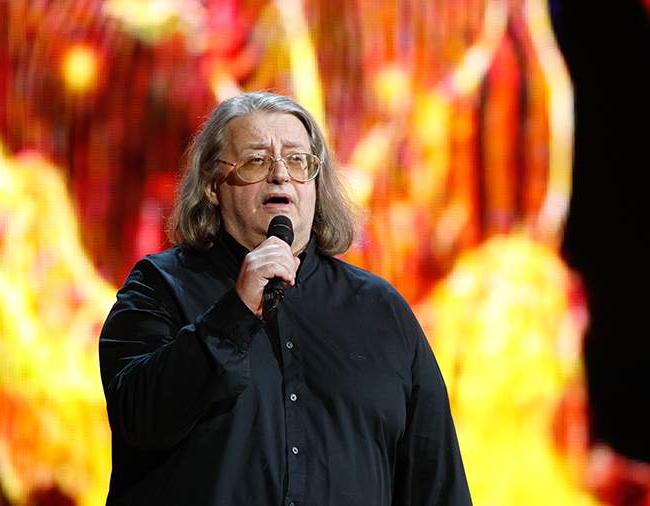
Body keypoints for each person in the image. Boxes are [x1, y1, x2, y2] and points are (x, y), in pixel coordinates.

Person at [98, 91, 471, 505]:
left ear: (315, 184)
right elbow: (138, 419)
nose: (280, 174)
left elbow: (436, 484)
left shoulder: (381, 311)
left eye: (297, 160)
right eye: (256, 160)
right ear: (212, 186)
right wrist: (235, 313)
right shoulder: (160, 287)